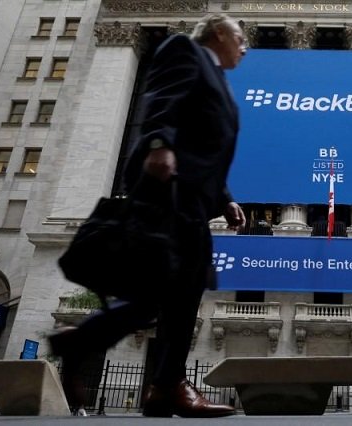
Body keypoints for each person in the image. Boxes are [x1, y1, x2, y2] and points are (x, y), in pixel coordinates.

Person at [49, 14, 247, 417]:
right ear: (220, 33)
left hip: (193, 198)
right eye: (241, 38)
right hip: (166, 192)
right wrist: (158, 143)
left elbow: (203, 142)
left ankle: (107, 356)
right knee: (174, 290)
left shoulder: (218, 79)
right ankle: (167, 385)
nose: (245, 47)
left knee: (170, 295)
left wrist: (224, 198)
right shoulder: (184, 50)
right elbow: (161, 99)